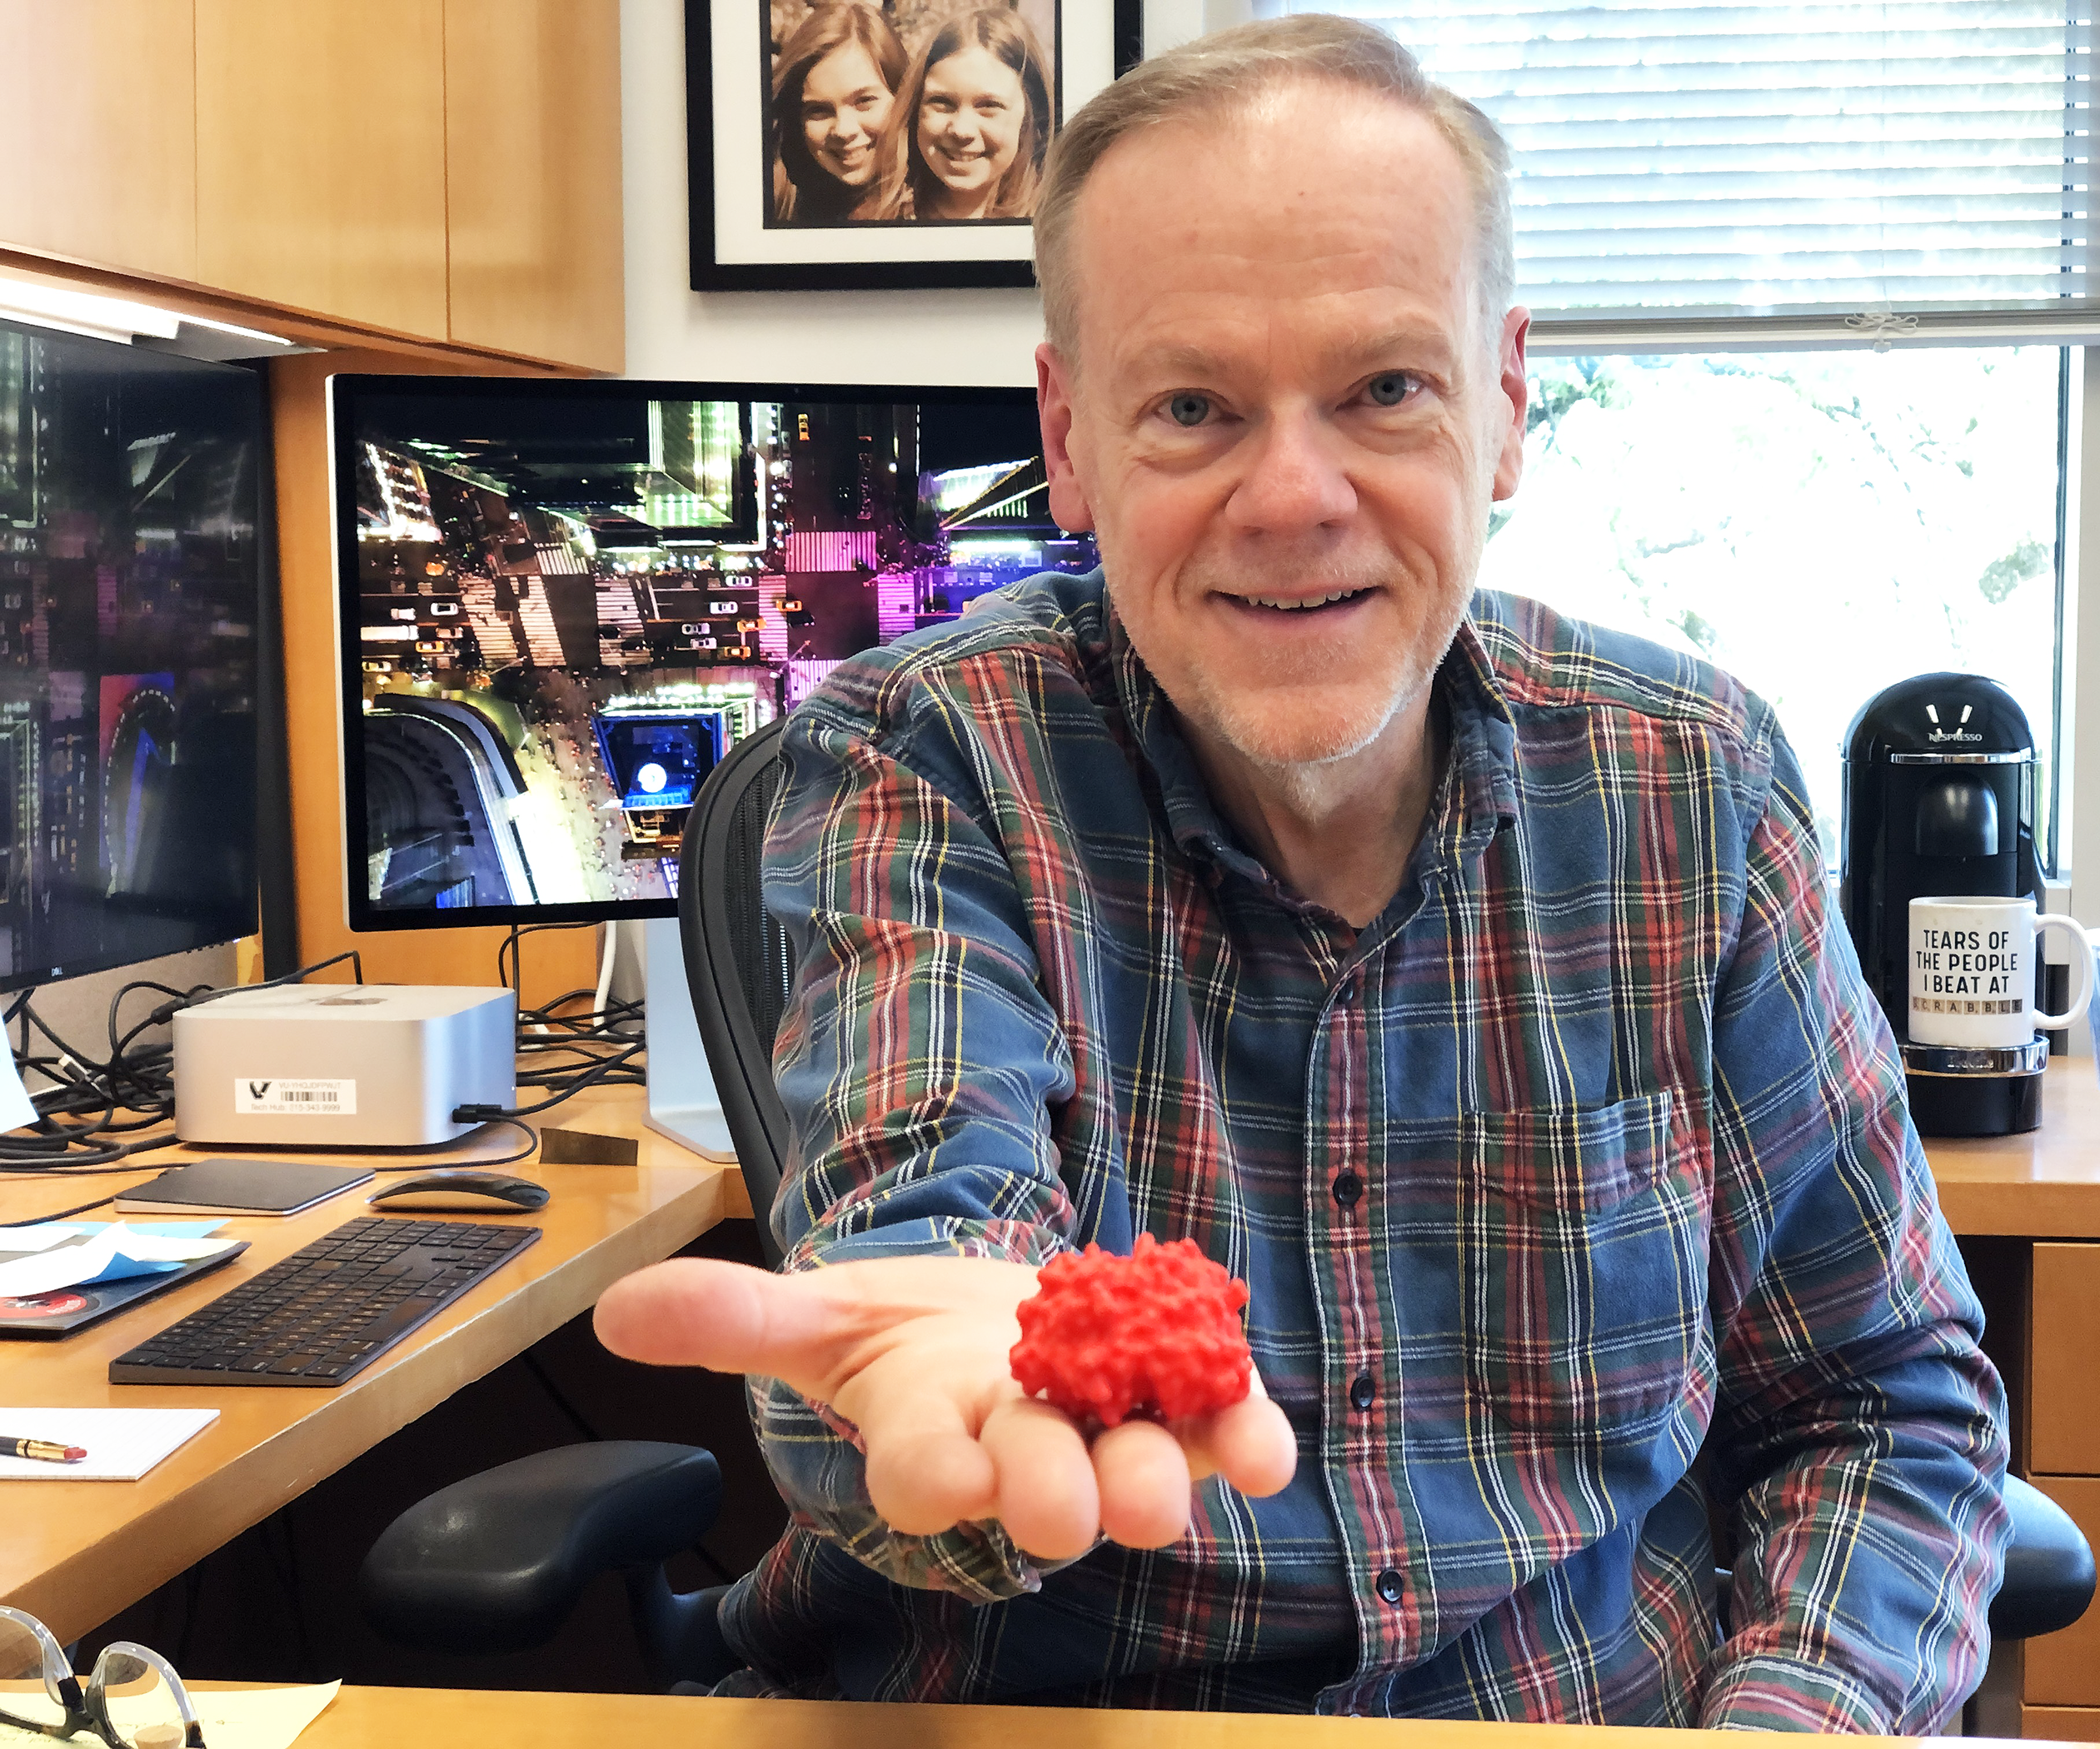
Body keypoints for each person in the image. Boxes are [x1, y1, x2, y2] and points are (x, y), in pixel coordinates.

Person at [597, 12, 2011, 1729]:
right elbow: (921, 1249)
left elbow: (1877, 1399)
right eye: (1190, 405)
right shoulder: (919, 761)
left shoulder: (1687, 781)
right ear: (1067, 439)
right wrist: (970, 1402)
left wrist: (1795, 1718)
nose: (1292, 495)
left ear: (1498, 407)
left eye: (1382, 390)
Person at [868, 7, 1052, 222]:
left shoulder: (1056, 226)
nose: (961, 130)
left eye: (989, 106)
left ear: (1032, 117)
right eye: (942, 102)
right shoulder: (872, 224)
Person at [768, 2, 908, 225]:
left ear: (903, 97)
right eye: (819, 111)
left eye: (864, 101)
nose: (844, 130)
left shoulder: (933, 211)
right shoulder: (776, 205)